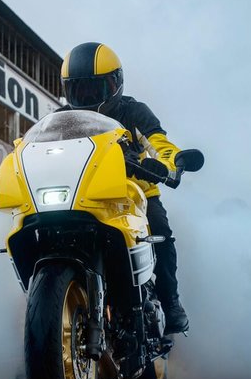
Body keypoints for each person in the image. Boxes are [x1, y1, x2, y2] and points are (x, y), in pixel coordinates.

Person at [59, 41, 189, 335]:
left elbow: (160, 144)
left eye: (97, 88)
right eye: (80, 89)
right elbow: (35, 145)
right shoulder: (62, 119)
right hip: (83, 196)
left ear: (115, 83)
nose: (89, 96)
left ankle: (170, 303)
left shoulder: (134, 112)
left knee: (162, 235)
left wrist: (165, 165)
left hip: (135, 195)